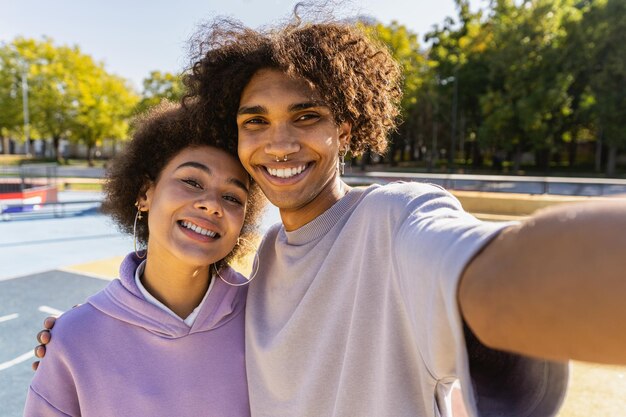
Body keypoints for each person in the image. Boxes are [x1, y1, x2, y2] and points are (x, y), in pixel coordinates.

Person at [35, 10, 626, 417]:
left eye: (307, 115)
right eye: (255, 122)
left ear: (345, 127)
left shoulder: (394, 220)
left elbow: (496, 273)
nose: (280, 142)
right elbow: (174, 335)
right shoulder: (263, 268)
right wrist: (89, 335)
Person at [25, 102, 265, 417]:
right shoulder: (74, 340)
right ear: (144, 193)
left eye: (232, 197)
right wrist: (79, 333)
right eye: (192, 182)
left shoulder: (268, 319)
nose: (211, 204)